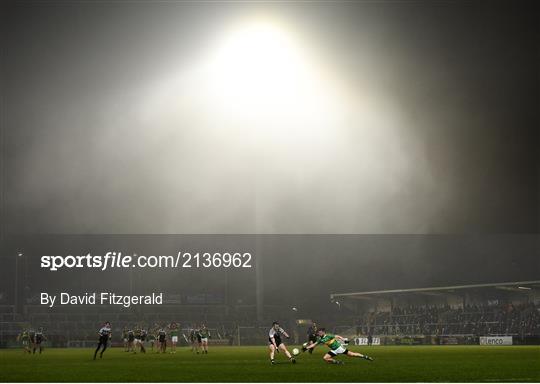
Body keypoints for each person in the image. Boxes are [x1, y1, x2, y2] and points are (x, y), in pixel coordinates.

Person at [304, 328, 373, 365]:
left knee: (352, 354)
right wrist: (306, 348)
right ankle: (338, 362)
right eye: (318, 332)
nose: (318, 333)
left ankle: (365, 357)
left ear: (323, 332)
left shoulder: (328, 335)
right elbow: (314, 344)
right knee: (325, 358)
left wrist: (344, 340)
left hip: (339, 348)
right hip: (334, 350)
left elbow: (338, 336)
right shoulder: (320, 339)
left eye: (319, 332)